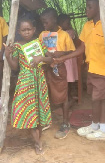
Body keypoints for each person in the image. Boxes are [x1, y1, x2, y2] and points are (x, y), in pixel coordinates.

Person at [55, 0, 105, 141]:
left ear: (99, 8)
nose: (86, 10)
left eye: (89, 7)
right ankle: (96, 126)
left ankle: (103, 129)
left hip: (104, 70)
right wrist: (64, 57)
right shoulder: (87, 26)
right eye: (86, 7)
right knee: (96, 99)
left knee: (99, 99)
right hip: (91, 69)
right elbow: (81, 49)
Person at [4, 17, 53, 154]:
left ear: (34, 30)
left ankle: (38, 140)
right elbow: (14, 67)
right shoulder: (17, 46)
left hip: (39, 81)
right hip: (25, 82)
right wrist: (7, 56)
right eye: (23, 30)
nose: (26, 32)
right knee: (30, 110)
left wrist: (41, 58)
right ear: (19, 31)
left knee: (39, 110)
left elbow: (51, 59)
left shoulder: (39, 43)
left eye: (29, 29)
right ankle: (38, 143)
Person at [39, 8, 75, 139]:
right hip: (45, 68)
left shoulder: (64, 35)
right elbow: (40, 49)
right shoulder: (42, 34)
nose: (44, 25)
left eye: (45, 22)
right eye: (42, 22)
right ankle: (45, 120)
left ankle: (65, 123)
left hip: (58, 69)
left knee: (62, 95)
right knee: (45, 94)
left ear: (54, 20)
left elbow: (72, 51)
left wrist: (62, 53)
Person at [58, 14, 79, 99]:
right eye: (67, 23)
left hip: (69, 58)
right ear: (61, 23)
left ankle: (71, 94)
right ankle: (65, 95)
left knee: (69, 77)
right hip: (61, 58)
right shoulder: (57, 32)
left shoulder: (69, 32)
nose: (69, 24)